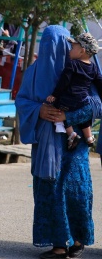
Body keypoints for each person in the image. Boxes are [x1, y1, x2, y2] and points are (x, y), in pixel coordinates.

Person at [15, 25, 101, 259]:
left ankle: (77, 241)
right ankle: (58, 244)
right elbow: (21, 101)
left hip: (74, 150)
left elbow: (97, 104)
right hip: (45, 147)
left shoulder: (81, 72)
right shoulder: (33, 72)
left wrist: (67, 116)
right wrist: (39, 110)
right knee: (50, 193)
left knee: (76, 193)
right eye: (47, 46)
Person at [46, 32, 102, 151]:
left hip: (69, 99)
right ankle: (89, 137)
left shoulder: (72, 64)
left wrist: (54, 95)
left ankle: (71, 134)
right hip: (83, 100)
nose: (69, 50)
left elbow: (64, 82)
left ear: (82, 51)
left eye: (72, 48)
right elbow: (99, 83)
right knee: (84, 119)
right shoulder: (94, 67)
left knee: (57, 109)